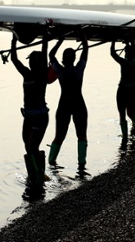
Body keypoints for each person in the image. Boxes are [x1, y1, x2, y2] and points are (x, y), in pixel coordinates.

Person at [10, 33, 50, 191]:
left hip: (40, 116)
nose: (33, 62)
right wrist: (14, 39)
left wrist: (46, 35)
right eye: (31, 60)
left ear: (40, 62)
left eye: (35, 60)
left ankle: (37, 177)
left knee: (31, 147)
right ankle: (38, 174)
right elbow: (14, 60)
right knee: (28, 146)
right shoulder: (26, 73)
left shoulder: (42, 74)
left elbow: (45, 51)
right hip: (28, 116)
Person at [48, 30, 89, 171]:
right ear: (74, 58)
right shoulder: (79, 69)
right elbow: (85, 51)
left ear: (63, 59)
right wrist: (83, 37)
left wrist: (60, 40)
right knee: (82, 136)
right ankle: (82, 165)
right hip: (78, 104)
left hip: (64, 105)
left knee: (59, 136)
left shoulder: (60, 70)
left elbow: (51, 55)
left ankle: (51, 163)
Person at [110, 39, 135, 142]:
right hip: (134, 89)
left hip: (123, 89)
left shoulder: (124, 63)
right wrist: (130, 41)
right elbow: (134, 51)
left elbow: (112, 53)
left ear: (126, 53)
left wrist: (113, 40)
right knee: (131, 112)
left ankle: (125, 138)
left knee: (122, 114)